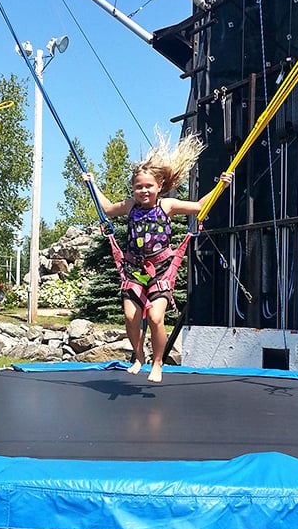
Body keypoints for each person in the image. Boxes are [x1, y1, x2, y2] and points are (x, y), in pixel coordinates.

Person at [83, 133, 232, 383]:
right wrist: (92, 184)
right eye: (139, 187)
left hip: (162, 269)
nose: (143, 191)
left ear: (159, 186)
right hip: (133, 269)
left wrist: (222, 186)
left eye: (148, 186)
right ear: (133, 188)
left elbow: (198, 207)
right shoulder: (130, 206)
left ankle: (158, 362)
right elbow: (108, 209)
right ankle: (139, 356)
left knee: (155, 317)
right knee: (131, 316)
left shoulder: (167, 206)